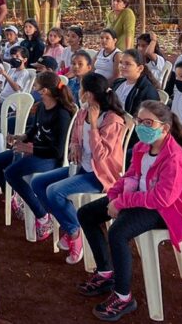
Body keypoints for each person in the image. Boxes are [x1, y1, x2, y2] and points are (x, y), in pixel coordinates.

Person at [76, 100, 182, 322]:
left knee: (118, 233)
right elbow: (129, 176)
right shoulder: (142, 147)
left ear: (164, 128)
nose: (141, 126)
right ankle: (105, 272)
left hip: (165, 210)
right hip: (141, 199)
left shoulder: (175, 158)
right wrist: (114, 196)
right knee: (86, 214)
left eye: (148, 123)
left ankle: (123, 296)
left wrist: (121, 203)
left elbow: (163, 198)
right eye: (140, 121)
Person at [30, 73, 126, 264]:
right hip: (82, 168)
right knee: (38, 183)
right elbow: (75, 135)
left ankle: (74, 231)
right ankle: (71, 225)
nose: (78, 91)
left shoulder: (112, 120)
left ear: (89, 94)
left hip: (100, 176)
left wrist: (94, 127)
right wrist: (75, 146)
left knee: (54, 191)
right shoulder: (84, 111)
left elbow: (101, 156)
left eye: (82, 88)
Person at [0, 72, 75, 231]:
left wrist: (30, 148)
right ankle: (19, 195)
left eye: (36, 86)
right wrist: (22, 137)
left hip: (50, 158)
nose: (34, 88)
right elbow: (35, 129)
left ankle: (42, 216)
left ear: (45, 91)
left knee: (11, 172)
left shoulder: (62, 114)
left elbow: (57, 151)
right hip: (37, 150)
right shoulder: (42, 106)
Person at [111, 49, 161, 117]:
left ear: (140, 68)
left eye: (128, 64)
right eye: (121, 62)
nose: (122, 66)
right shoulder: (118, 83)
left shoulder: (147, 91)